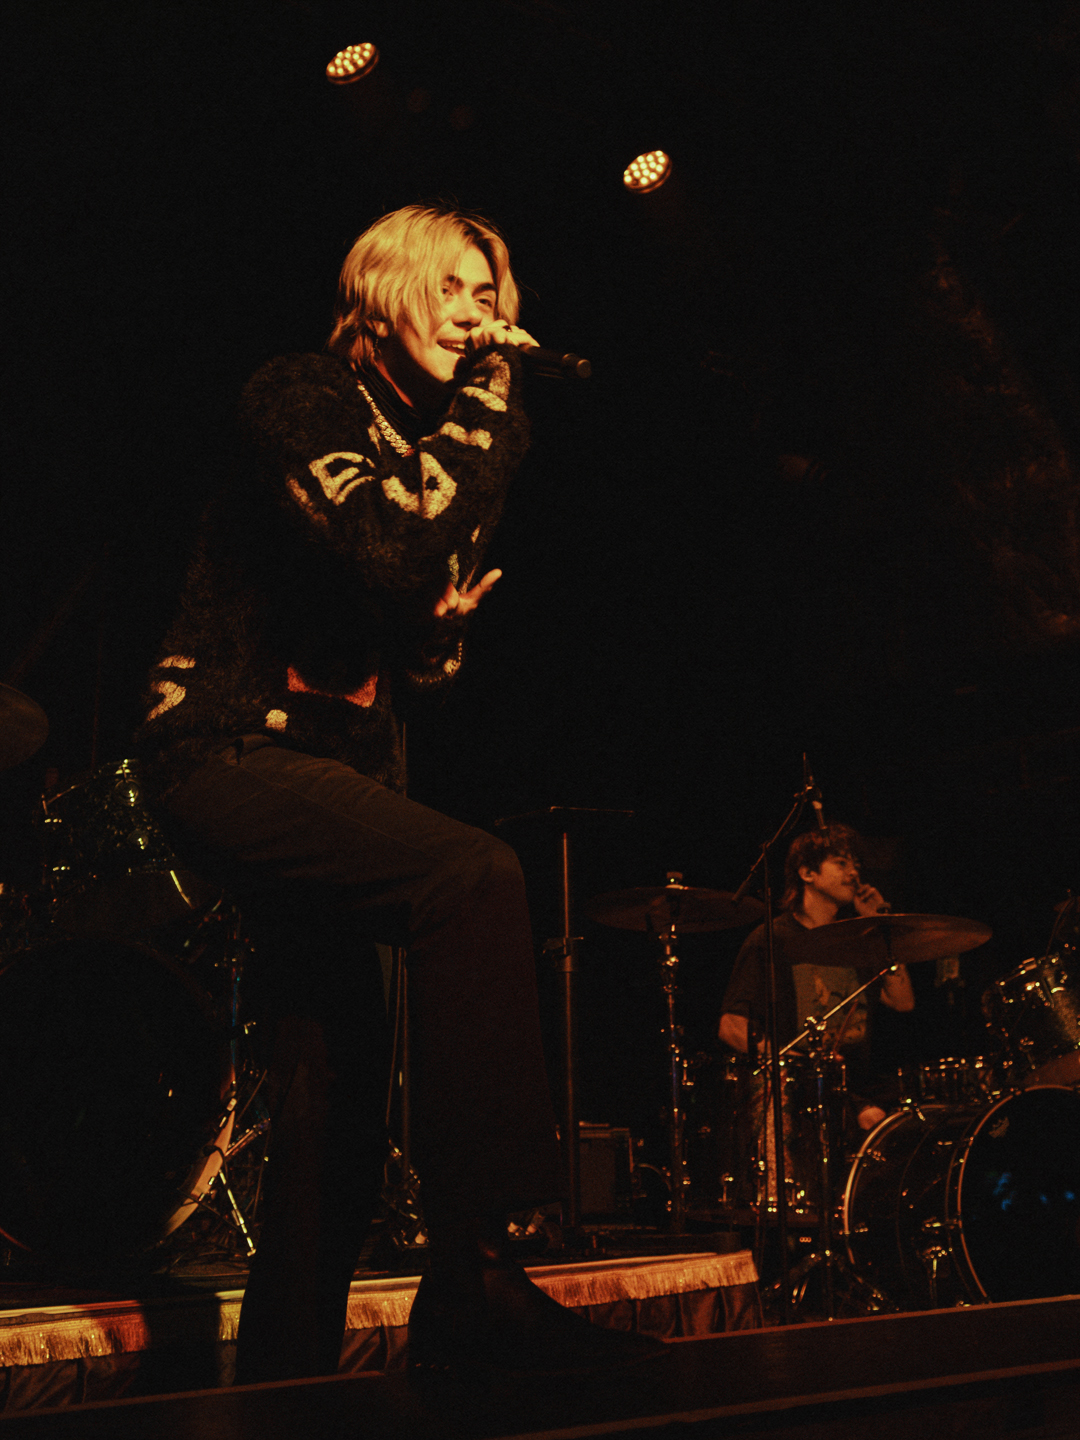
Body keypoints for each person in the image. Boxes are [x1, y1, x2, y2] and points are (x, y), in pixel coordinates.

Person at [136, 204, 661, 1380]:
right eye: (456, 289)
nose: (482, 317)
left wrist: (434, 636)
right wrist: (494, 405)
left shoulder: (428, 446)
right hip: (225, 746)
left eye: (492, 296)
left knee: (336, 1078)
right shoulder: (301, 395)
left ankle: (288, 1372)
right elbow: (391, 537)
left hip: (331, 773)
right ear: (387, 289)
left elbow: (409, 633)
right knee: (471, 874)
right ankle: (478, 1270)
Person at [718, 823, 914, 1132]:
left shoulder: (858, 939)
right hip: (800, 1092)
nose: (854, 873)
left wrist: (881, 926)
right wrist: (796, 1065)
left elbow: (903, 1001)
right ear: (808, 873)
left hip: (857, 1089)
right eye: (841, 863)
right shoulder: (772, 939)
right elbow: (731, 1026)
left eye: (856, 865)